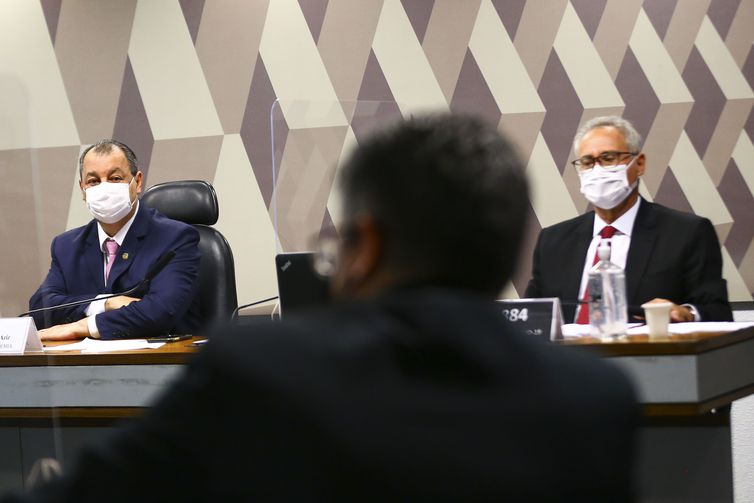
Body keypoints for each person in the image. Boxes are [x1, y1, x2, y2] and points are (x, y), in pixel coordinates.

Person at [4, 115, 638, 502]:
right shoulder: (596, 400)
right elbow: (43, 308)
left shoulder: (264, 368)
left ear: (365, 246)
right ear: (508, 253)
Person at [526, 116, 732, 323]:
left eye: (609, 158)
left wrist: (685, 313)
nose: (597, 170)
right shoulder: (553, 241)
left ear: (639, 164)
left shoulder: (686, 233)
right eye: (588, 162)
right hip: (565, 354)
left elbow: (717, 312)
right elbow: (529, 316)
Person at [28, 140, 201, 340]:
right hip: (85, 366)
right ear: (82, 189)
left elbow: (161, 311)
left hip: (162, 362)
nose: (104, 188)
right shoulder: (66, 246)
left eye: (115, 178)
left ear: (137, 182)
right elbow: (41, 307)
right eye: (93, 181)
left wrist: (85, 326)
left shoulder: (175, 238)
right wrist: (104, 303)